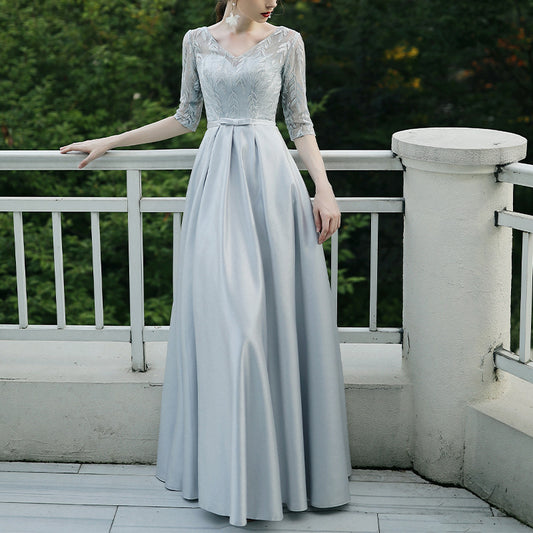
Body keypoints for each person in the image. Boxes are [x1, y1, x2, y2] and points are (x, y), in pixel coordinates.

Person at [60, 0, 351, 526]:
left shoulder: (287, 40)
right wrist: (110, 140)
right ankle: (227, 473)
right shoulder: (197, 40)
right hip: (218, 184)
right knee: (229, 322)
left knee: (269, 324)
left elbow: (299, 121)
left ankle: (271, 477)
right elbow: (184, 117)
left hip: (271, 184)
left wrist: (324, 189)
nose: (273, 1)